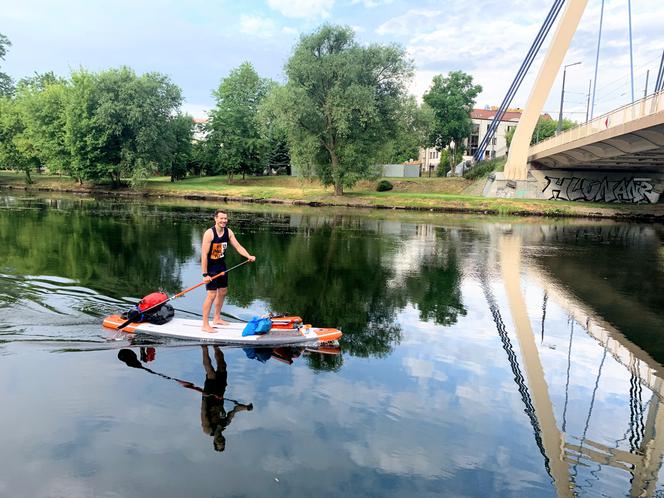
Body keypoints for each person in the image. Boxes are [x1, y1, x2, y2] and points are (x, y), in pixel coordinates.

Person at [201, 210, 256, 333]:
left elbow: (238, 246)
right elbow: (204, 255)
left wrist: (248, 256)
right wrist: (205, 274)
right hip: (211, 268)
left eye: (225, 218)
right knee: (211, 295)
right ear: (215, 219)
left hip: (222, 266)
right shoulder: (209, 233)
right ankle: (205, 324)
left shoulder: (228, 232)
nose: (224, 221)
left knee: (223, 291)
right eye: (221, 218)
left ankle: (216, 318)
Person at [200, 345, 252, 452]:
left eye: (219, 443)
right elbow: (234, 410)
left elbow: (203, 412)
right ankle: (216, 346)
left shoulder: (208, 429)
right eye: (223, 442)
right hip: (220, 393)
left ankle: (204, 347)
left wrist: (205, 397)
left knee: (211, 373)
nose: (221, 441)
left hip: (209, 397)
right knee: (222, 366)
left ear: (214, 442)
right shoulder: (225, 424)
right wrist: (246, 408)